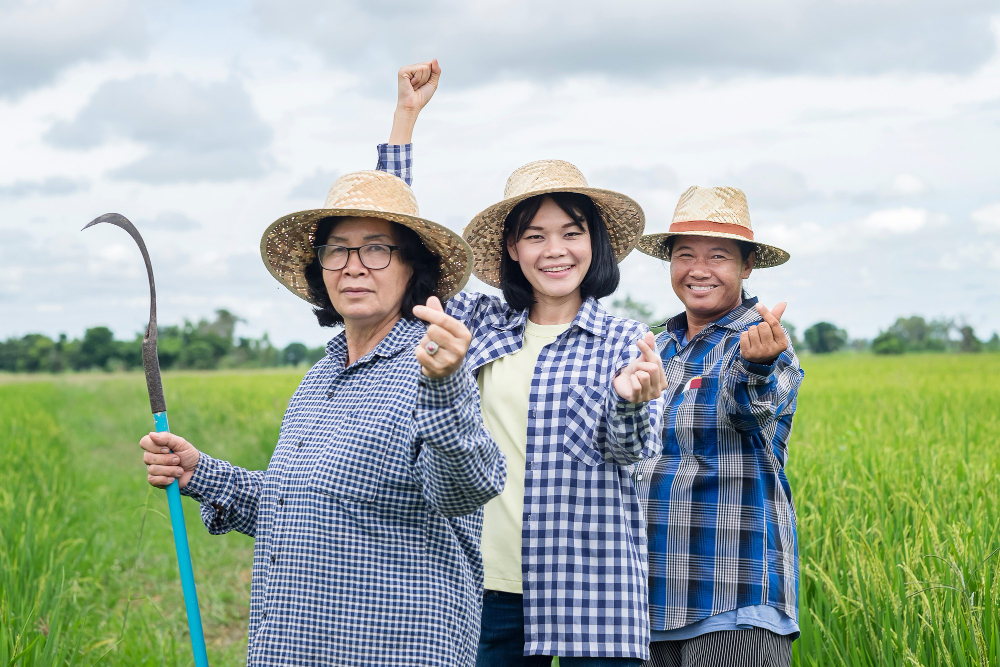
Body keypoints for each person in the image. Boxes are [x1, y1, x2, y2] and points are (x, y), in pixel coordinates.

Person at [139, 169, 506, 666]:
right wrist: (200, 473)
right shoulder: (320, 377)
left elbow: (463, 490)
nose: (353, 267)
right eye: (337, 250)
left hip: (391, 651)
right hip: (295, 647)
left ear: (411, 268)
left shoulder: (431, 369)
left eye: (376, 249)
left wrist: (445, 385)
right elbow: (296, 508)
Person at [378, 61, 667, 666]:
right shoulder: (479, 323)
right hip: (487, 589)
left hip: (594, 588)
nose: (555, 250)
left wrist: (631, 402)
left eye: (571, 232)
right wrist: (404, 122)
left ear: (594, 243)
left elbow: (633, 454)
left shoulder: (626, 341)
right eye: (535, 236)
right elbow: (400, 252)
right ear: (512, 248)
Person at [632, 186, 804, 667]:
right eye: (685, 254)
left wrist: (756, 366)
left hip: (733, 599)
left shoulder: (763, 344)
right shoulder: (658, 348)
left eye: (718, 256)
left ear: (747, 266)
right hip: (646, 602)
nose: (698, 269)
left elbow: (748, 411)